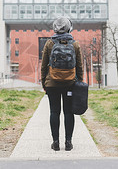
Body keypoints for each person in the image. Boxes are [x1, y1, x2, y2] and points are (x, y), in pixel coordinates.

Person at [41, 16, 83, 151]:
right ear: (69, 28)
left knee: (54, 112)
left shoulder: (49, 44)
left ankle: (55, 142)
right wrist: (79, 83)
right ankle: (68, 142)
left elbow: (43, 66)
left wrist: (44, 83)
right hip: (70, 83)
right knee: (68, 112)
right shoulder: (75, 44)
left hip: (52, 84)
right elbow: (79, 66)